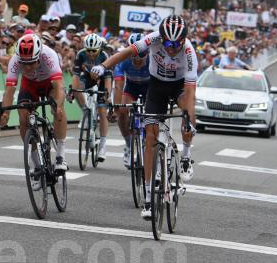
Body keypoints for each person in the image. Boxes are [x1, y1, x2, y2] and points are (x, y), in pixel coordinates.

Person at [94, 15, 197, 219]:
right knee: (150, 138)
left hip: (179, 87)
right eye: (167, 42)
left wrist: (188, 119)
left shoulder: (189, 52)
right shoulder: (153, 38)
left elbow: (191, 93)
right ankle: (149, 199)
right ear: (162, 37)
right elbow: (126, 53)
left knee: (188, 117)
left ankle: (186, 156)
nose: (170, 47)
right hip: (156, 86)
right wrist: (104, 66)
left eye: (175, 43)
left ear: (183, 40)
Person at [0, 33, 69, 174]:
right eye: (24, 63)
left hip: (50, 83)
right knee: (23, 116)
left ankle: (61, 155)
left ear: (38, 56)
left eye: (31, 62)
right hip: (29, 85)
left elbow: (59, 86)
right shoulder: (15, 60)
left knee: (58, 110)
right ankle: (36, 161)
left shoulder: (48, 55)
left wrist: (58, 106)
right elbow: (9, 91)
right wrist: (5, 113)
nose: (28, 67)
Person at [111, 33, 151, 167]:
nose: (138, 61)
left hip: (150, 87)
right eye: (135, 58)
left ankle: (148, 141)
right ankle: (129, 145)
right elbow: (118, 85)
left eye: (142, 58)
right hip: (132, 86)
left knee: (153, 112)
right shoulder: (123, 59)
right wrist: (115, 108)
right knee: (122, 111)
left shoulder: (154, 59)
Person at [70, 33, 112, 161]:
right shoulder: (81, 54)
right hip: (88, 77)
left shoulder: (105, 56)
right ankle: (86, 111)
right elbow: (76, 75)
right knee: (76, 89)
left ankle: (103, 146)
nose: (91, 53)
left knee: (102, 110)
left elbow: (109, 78)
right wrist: (73, 90)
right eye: (88, 50)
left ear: (99, 49)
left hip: (103, 78)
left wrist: (107, 94)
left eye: (94, 51)